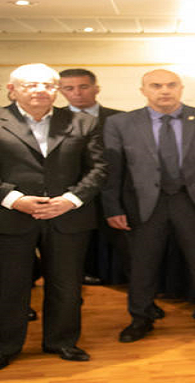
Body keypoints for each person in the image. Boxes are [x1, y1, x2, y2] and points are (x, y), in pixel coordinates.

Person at [102, 69, 195, 343]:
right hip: (144, 204)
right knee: (142, 265)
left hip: (193, 202)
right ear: (143, 90)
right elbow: (113, 170)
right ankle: (141, 317)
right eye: (156, 85)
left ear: (181, 88)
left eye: (171, 85)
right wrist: (113, 208)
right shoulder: (120, 123)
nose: (164, 90)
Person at [0, 63, 107, 369]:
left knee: (67, 286)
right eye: (31, 85)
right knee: (10, 286)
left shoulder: (83, 122)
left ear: (56, 90)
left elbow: (99, 168)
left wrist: (71, 200)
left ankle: (62, 341)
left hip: (67, 217)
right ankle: (6, 345)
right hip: (11, 217)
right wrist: (14, 199)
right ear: (12, 90)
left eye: (47, 85)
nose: (40, 90)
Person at [58, 68, 126, 286]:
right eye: (69, 88)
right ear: (60, 91)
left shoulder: (121, 118)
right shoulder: (54, 120)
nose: (77, 93)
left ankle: (117, 276)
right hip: (75, 191)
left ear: (96, 88)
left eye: (83, 86)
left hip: (117, 189)